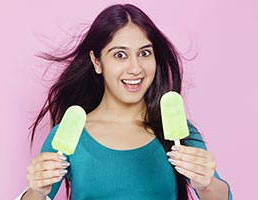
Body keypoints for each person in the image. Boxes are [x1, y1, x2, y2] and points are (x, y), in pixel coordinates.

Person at [20, 3, 232, 200]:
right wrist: (36, 191)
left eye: (144, 53)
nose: (135, 68)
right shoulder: (68, 136)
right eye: (120, 55)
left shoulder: (180, 133)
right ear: (97, 61)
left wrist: (207, 184)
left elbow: (220, 194)